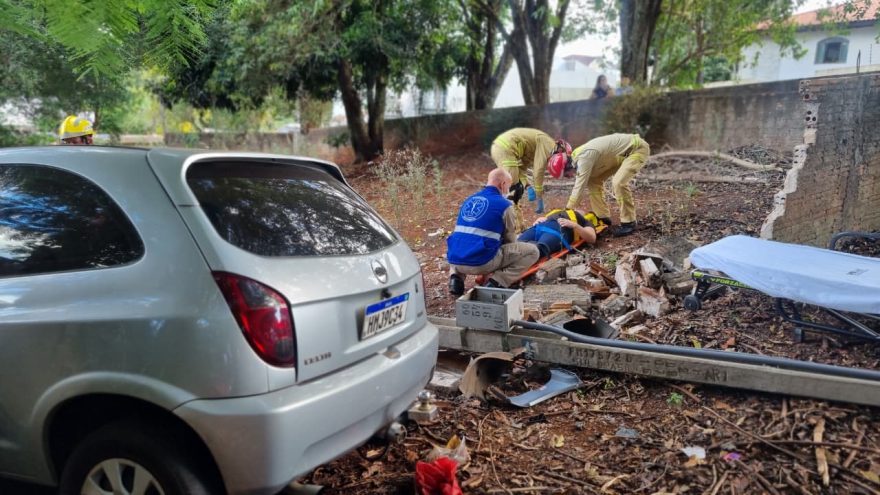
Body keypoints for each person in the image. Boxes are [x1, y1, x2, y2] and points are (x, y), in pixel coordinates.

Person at [447, 168, 540, 295]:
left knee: (463, 242)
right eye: (509, 186)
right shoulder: (504, 205)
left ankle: (455, 280)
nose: (508, 191)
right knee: (533, 252)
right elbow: (510, 241)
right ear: (503, 184)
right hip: (481, 263)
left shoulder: (468, 200)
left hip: (454, 261)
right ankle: (497, 282)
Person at [548, 133, 650, 237]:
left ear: (567, 166)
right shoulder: (577, 157)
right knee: (593, 181)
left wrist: (567, 211)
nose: (568, 177)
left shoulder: (584, 157)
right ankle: (603, 216)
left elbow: (579, 187)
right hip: (620, 155)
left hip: (636, 150)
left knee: (618, 183)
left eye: (565, 175)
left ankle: (629, 222)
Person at [490, 128, 572, 231]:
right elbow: (538, 171)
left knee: (517, 190)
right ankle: (513, 230)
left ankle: (519, 227)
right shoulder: (548, 146)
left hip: (505, 149)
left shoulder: (535, 148)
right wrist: (539, 196)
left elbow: (522, 168)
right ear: (561, 150)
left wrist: (527, 185)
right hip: (506, 149)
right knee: (513, 192)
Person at [517, 208, 598, 258]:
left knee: (538, 249)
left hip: (557, 232)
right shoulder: (556, 212)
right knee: (516, 244)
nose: (575, 209)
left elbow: (592, 238)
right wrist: (538, 219)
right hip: (539, 227)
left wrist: (575, 225)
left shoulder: (584, 221)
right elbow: (543, 219)